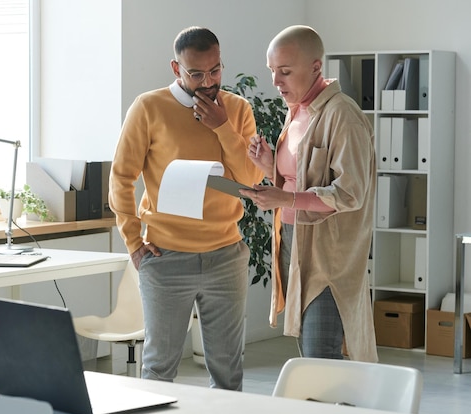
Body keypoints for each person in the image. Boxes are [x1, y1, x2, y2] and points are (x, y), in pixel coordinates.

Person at [109, 26, 262, 390]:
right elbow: (121, 177)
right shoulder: (149, 107)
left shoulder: (237, 109)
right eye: (196, 73)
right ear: (176, 69)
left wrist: (223, 127)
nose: (208, 81)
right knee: (160, 368)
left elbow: (250, 178)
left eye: (216, 70)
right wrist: (133, 242)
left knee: (228, 371)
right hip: (166, 258)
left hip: (226, 255)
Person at [239, 25, 378, 361]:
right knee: (312, 350)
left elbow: (350, 194)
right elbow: (297, 179)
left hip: (329, 256)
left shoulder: (342, 116)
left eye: (285, 71)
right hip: (291, 240)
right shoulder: (297, 111)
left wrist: (285, 199)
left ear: (316, 67)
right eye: (272, 71)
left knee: (322, 352)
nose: (276, 82)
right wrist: (269, 164)